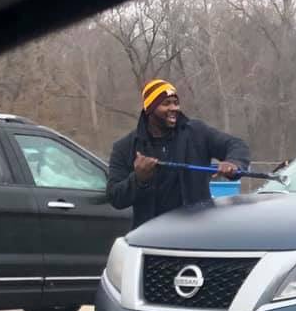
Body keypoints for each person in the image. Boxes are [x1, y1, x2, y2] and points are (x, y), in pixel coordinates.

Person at [106, 79, 250, 228]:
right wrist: (138, 180)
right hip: (150, 235)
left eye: (176, 103)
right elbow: (115, 197)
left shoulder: (197, 132)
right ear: (150, 108)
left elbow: (236, 144)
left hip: (196, 231)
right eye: (166, 103)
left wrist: (234, 163)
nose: (174, 108)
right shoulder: (125, 147)